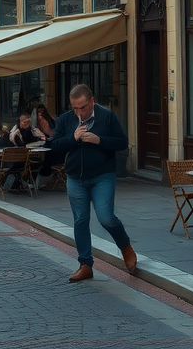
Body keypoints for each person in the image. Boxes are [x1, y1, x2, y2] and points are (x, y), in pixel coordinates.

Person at [47, 83, 136, 282]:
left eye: (83, 107)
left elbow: (122, 143)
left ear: (92, 101)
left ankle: (125, 247)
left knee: (106, 218)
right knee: (80, 220)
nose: (79, 112)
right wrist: (73, 137)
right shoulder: (65, 120)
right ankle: (85, 264)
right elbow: (54, 147)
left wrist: (99, 140)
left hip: (102, 176)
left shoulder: (107, 117)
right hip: (75, 178)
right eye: (75, 108)